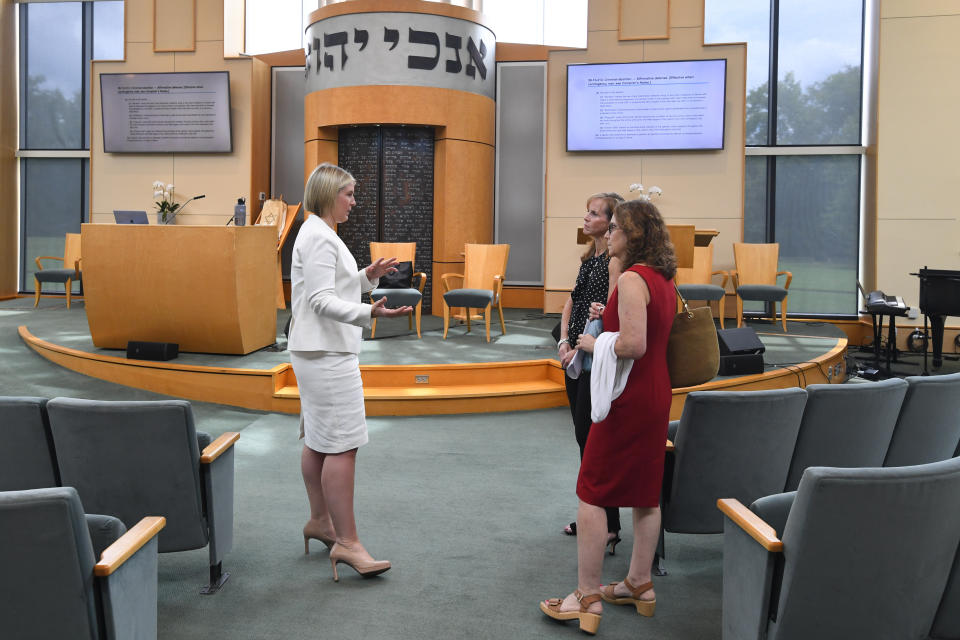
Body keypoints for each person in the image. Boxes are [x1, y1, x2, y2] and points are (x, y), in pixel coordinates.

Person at [540, 199, 677, 634]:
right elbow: (647, 335)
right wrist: (608, 317)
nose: (609, 232)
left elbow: (632, 345)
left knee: (593, 491)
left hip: (626, 396)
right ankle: (639, 584)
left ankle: (586, 597)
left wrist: (593, 343)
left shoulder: (634, 278)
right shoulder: (663, 278)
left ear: (633, 235)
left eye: (616, 226)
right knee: (645, 492)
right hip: (655, 392)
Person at [288, 162, 412, 582]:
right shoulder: (320, 236)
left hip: (315, 348)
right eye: (350, 194)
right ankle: (348, 543)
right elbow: (321, 300)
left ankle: (321, 522)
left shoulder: (317, 232)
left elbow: (326, 289)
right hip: (326, 352)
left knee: (320, 441)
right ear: (328, 194)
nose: (354, 202)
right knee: (342, 445)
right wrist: (369, 310)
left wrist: (366, 277)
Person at [557, 192, 623, 550]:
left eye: (594, 213)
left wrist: (584, 342)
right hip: (576, 354)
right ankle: (598, 518)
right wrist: (564, 342)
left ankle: (607, 523)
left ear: (611, 223)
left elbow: (612, 313)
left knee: (593, 440)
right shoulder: (591, 257)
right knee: (585, 440)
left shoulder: (614, 261)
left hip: (596, 357)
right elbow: (572, 300)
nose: (586, 218)